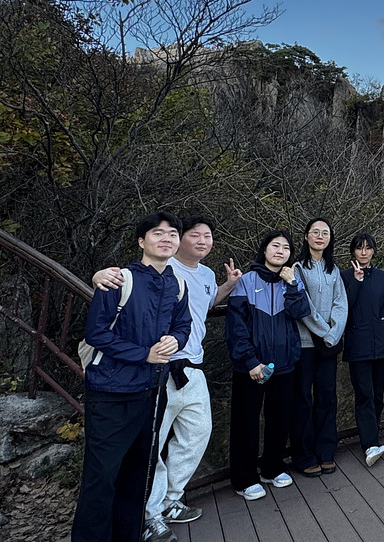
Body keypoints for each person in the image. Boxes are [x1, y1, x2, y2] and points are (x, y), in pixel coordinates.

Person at [91, 215, 242, 538]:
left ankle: (169, 500)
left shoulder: (198, 276)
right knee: (148, 449)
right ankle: (149, 512)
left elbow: (193, 313)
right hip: (150, 372)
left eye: (207, 236)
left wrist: (227, 287)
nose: (202, 241)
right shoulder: (151, 271)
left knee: (196, 433)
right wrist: (97, 276)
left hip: (188, 366)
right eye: (194, 235)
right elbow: (106, 314)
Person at [72, 211, 192, 542]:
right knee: (101, 476)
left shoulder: (176, 283)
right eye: (157, 233)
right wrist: (144, 354)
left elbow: (183, 324)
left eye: (172, 233)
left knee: (138, 474)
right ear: (142, 241)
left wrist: (175, 340)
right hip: (111, 393)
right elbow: (96, 333)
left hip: (151, 391)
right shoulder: (118, 280)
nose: (166, 238)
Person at [225, 230, 310, 499]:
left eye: (286, 248)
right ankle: (243, 477)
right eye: (275, 245)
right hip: (250, 366)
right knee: (246, 421)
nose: (280, 251)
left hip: (284, 364)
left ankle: (272, 468)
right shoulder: (246, 281)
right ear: (264, 250)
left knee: (280, 418)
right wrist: (250, 360)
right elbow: (236, 327)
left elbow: (301, 313)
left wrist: (293, 284)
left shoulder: (291, 281)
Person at [291, 218, 348, 477]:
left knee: (327, 397)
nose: (320, 236)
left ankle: (326, 451)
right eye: (315, 232)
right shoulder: (297, 268)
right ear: (306, 236)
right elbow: (302, 305)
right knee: (303, 399)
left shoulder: (332, 269)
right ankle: (304, 455)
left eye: (325, 233)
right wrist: (325, 331)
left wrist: (334, 332)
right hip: (305, 343)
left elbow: (341, 302)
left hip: (328, 345)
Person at [342, 232, 384, 467]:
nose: (363, 252)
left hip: (381, 344)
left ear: (374, 250)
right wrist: (356, 281)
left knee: (377, 394)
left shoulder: (383, 278)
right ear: (353, 251)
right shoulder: (345, 276)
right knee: (364, 394)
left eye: (368, 248)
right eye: (359, 248)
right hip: (358, 343)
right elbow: (344, 306)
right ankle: (369, 444)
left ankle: (372, 435)